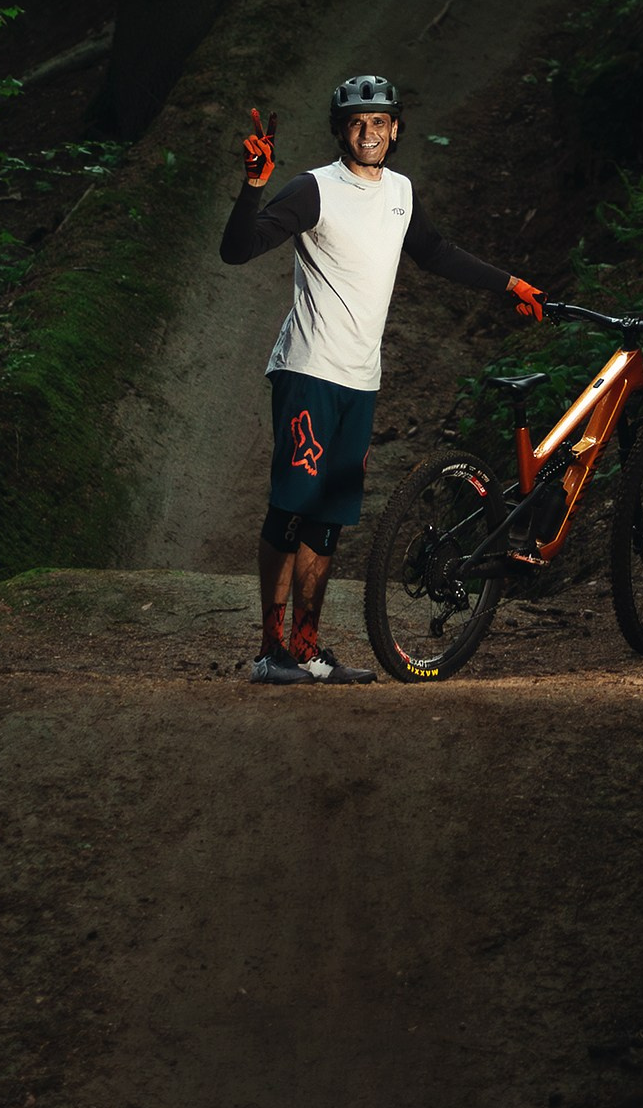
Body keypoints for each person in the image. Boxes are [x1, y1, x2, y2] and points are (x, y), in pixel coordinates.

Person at [220, 72, 546, 683]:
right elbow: (238, 250)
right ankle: (271, 652)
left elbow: (436, 251)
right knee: (291, 510)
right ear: (340, 130)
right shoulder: (313, 189)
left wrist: (510, 284)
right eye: (356, 123)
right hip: (308, 371)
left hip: (359, 382)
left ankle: (308, 648)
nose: (368, 133)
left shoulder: (399, 192)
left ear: (395, 130)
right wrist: (252, 187)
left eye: (379, 122)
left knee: (328, 519)